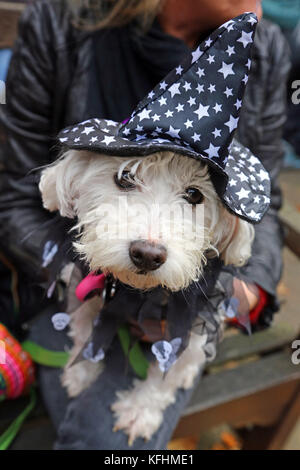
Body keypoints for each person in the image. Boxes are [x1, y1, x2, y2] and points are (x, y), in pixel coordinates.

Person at [0, 0, 290, 450]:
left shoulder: (266, 47)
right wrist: (70, 271)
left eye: (194, 195)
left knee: (109, 435)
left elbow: (263, 206)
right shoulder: (59, 18)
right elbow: (16, 198)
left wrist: (245, 293)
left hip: (187, 305)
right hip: (62, 286)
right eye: (126, 177)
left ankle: (150, 397)